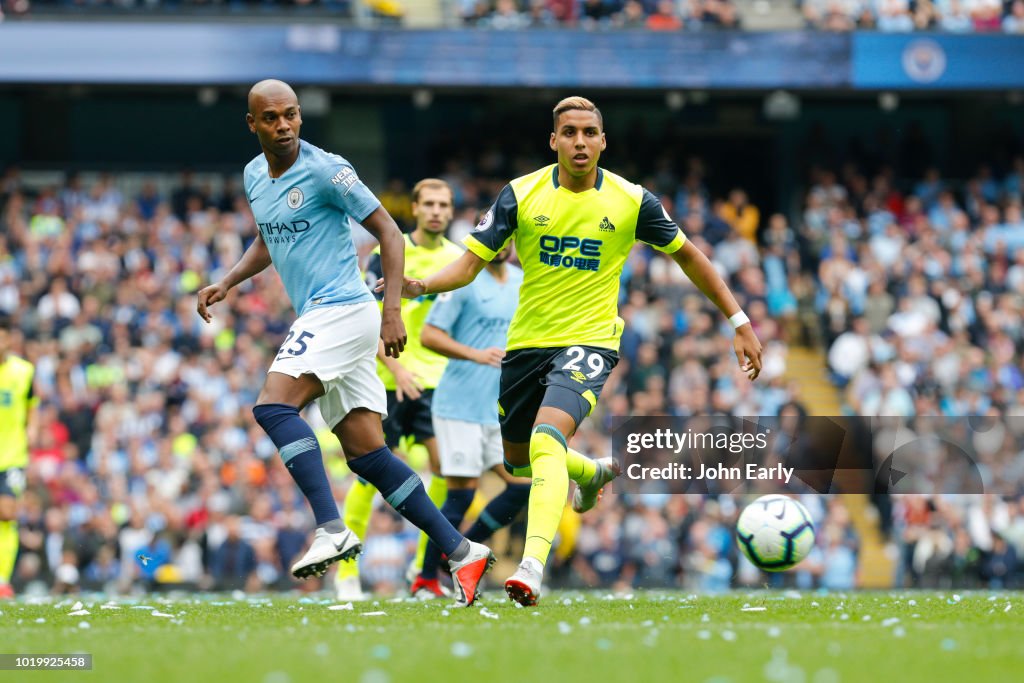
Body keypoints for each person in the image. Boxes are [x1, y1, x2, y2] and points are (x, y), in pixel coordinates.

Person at [383, 96, 763, 605]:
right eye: (570, 133)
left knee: (545, 442)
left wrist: (738, 320)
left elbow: (690, 257)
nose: (580, 141)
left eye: (589, 132)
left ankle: (531, 568)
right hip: (526, 345)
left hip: (591, 341)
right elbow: (470, 264)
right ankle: (590, 470)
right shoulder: (519, 194)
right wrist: (420, 285)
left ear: (603, 141)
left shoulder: (632, 201)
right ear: (554, 140)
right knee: (520, 465)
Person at [196, 80, 493, 606]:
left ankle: (332, 528)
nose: (283, 125)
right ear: (253, 124)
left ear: (300, 118)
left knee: (273, 407)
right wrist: (229, 281)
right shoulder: (253, 175)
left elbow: (390, 234)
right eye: (271, 118)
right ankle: (461, 551)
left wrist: (393, 312)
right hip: (326, 316)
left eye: (290, 115)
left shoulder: (328, 169)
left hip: (345, 309)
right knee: (367, 455)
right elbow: (268, 237)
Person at [335, 178, 465, 601]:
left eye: (443, 204)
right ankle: (346, 571)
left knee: (446, 472)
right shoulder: (385, 254)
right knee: (370, 476)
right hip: (390, 384)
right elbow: (366, 322)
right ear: (414, 207)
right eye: (428, 203)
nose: (436, 211)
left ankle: (423, 569)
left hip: (440, 386)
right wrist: (396, 366)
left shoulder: (458, 261)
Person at [410, 245, 533, 599]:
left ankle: (464, 553)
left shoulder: (523, 283)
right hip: (459, 405)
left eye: (506, 237)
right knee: (461, 495)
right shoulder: (462, 281)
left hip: (498, 408)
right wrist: (475, 354)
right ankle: (425, 578)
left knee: (522, 485)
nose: (500, 244)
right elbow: (429, 335)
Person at [0, 324, 38, 600]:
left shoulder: (23, 371)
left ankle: (2, 579)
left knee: (7, 514)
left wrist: (32, 430)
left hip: (11, 455)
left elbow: (32, 406)